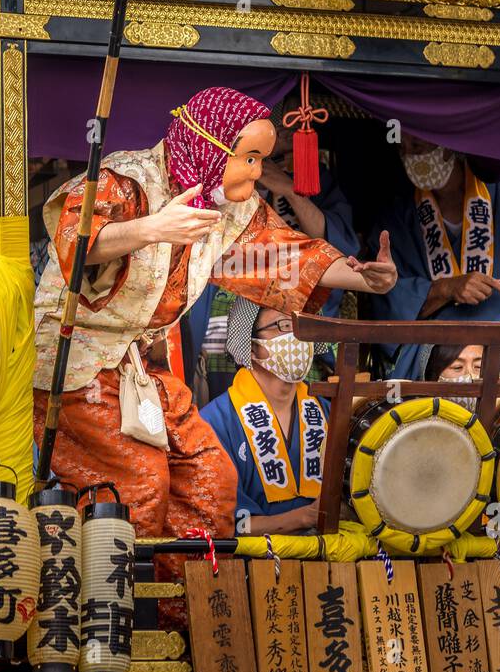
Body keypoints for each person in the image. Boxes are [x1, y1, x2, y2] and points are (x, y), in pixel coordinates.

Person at [32, 86, 398, 548]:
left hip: (138, 368)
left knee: (210, 478)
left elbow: (288, 255)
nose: (259, 171)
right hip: (74, 364)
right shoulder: (127, 178)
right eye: (249, 158)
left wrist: (367, 279)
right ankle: (130, 605)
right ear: (210, 144)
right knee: (138, 484)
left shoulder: (228, 206)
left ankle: (183, 600)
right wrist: (150, 228)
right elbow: (75, 240)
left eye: (261, 159)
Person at [368, 134, 500, 381]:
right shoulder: (398, 217)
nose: (409, 156)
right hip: (444, 361)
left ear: (448, 144)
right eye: (402, 149)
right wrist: (446, 288)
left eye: (417, 146)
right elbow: (387, 298)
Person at [200, 117, 359, 397]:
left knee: (299, 388)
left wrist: (289, 190)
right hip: (226, 295)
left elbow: (336, 246)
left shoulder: (312, 175)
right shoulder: (226, 175)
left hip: (290, 306)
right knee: (223, 390)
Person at [201, 299, 328, 536]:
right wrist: (303, 518)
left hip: (329, 562)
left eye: (301, 324)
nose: (296, 336)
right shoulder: (214, 423)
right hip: (252, 566)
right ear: (249, 347)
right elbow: (228, 525)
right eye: (282, 325)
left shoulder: (327, 412)